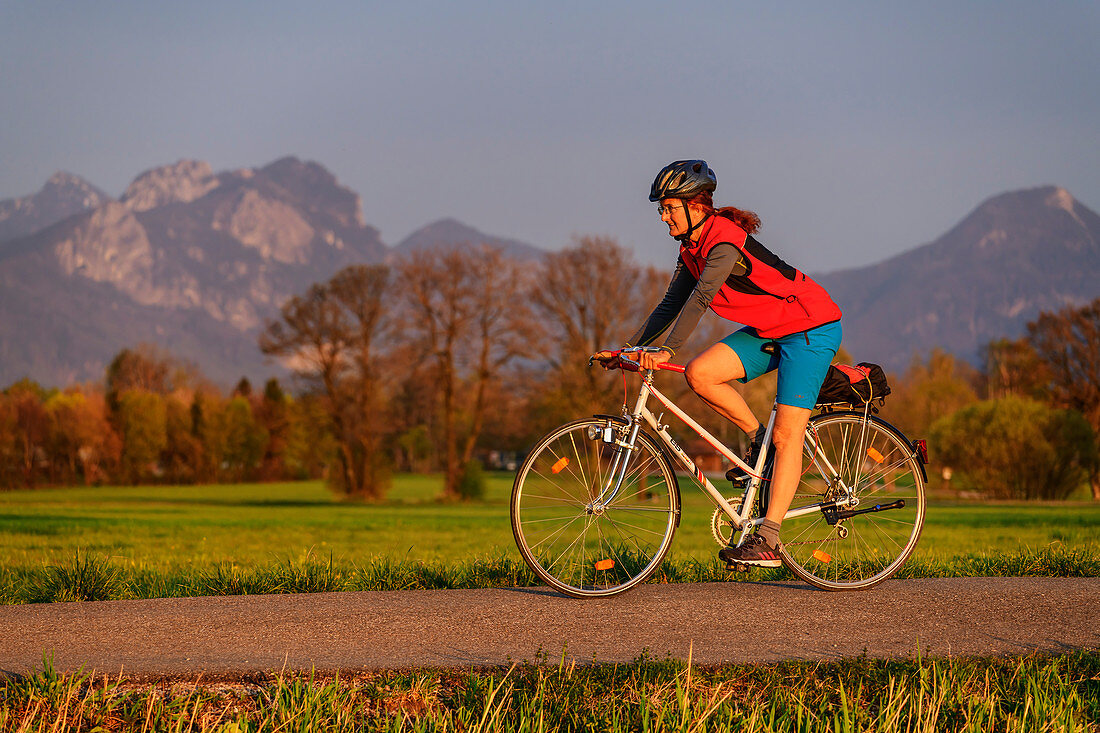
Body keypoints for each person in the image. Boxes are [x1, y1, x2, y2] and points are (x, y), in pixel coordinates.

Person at [594, 159, 842, 567]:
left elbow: (700, 300)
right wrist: (627, 348)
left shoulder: (723, 243)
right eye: (661, 209)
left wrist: (666, 350)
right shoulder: (690, 247)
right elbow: (671, 304)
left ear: (696, 207)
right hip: (771, 329)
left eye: (669, 207)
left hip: (811, 327)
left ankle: (769, 538)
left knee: (788, 433)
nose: (663, 216)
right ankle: (757, 440)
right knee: (701, 374)